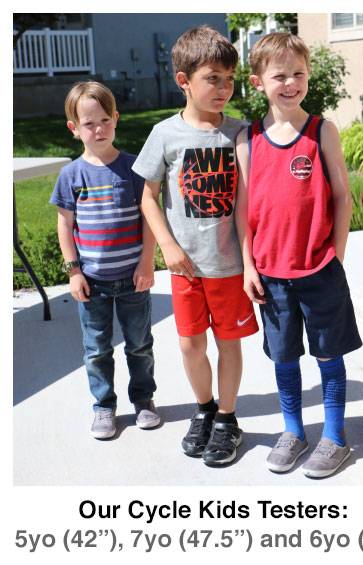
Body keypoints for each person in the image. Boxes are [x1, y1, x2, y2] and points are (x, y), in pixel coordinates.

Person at [235, 32, 362, 478]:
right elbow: (244, 210)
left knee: (329, 355)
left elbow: (343, 197)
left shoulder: (321, 130)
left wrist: (337, 255)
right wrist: (249, 265)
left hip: (319, 268)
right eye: (279, 76)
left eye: (298, 74)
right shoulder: (248, 139)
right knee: (284, 357)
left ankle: (335, 437)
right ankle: (293, 431)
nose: (290, 83)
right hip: (270, 274)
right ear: (257, 82)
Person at [133, 26, 258, 466]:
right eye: (213, 78)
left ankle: (227, 419)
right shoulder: (165, 134)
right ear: (184, 81)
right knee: (190, 345)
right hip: (185, 266)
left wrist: (249, 262)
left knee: (228, 342)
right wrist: (165, 245)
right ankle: (204, 409)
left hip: (227, 267)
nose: (224, 88)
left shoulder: (241, 133)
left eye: (229, 78)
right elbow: (147, 195)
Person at [51, 81, 159, 440]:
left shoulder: (133, 168)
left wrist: (147, 262)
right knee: (96, 349)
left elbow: (149, 217)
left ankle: (143, 400)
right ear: (74, 128)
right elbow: (65, 224)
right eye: (88, 123)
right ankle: (104, 407)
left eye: (104, 120)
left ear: (116, 118)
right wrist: (73, 271)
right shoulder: (71, 175)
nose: (98, 129)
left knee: (139, 345)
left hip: (133, 279)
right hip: (92, 282)